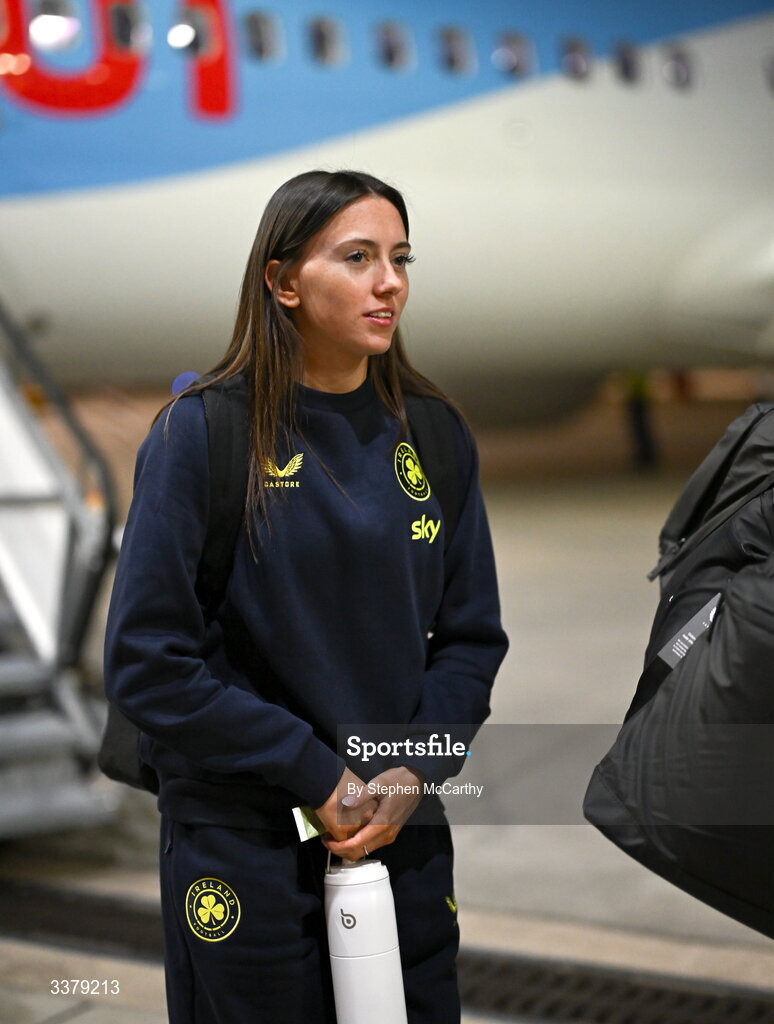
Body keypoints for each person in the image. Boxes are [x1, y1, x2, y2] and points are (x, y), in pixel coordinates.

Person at [103, 169, 508, 1023]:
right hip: (244, 843)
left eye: (400, 257)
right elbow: (149, 666)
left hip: (398, 830)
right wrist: (314, 773)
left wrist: (415, 765)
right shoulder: (202, 436)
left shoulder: (433, 432)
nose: (388, 281)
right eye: (357, 257)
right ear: (283, 282)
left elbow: (471, 640)